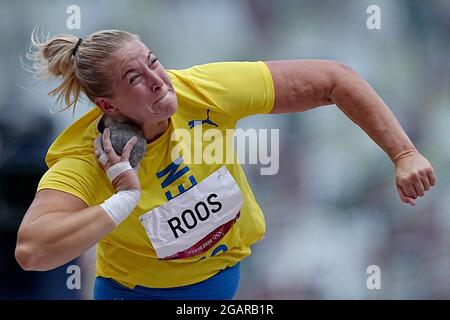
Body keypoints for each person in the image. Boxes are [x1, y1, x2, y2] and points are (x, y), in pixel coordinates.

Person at [15, 29, 436, 300]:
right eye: (134, 78)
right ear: (106, 105)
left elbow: (334, 79)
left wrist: (403, 154)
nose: (158, 79)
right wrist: (123, 199)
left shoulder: (202, 90)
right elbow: (33, 250)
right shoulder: (89, 158)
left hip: (225, 287)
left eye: (153, 61)